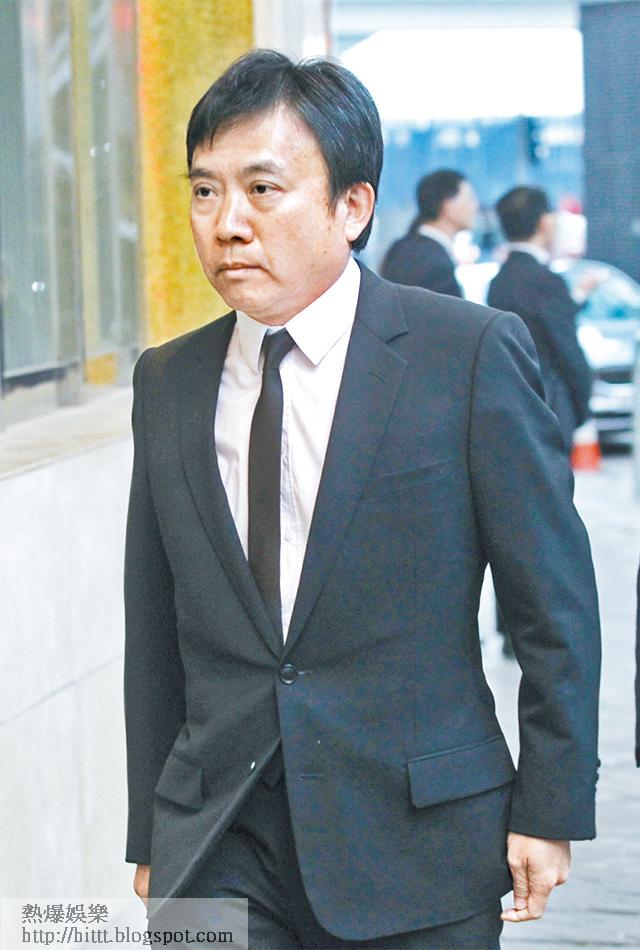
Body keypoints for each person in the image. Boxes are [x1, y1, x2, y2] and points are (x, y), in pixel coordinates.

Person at [124, 50, 601, 949]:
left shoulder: (467, 355)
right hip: (217, 839)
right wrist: (151, 832)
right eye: (205, 191)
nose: (227, 224)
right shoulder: (168, 381)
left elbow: (554, 605)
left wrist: (550, 806)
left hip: (417, 839)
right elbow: (153, 623)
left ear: (353, 207)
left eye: (262, 190)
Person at [487, 186, 595, 452]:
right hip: (550, 402)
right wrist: (582, 405)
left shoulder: (498, 282)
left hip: (509, 405)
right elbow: (567, 351)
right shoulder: (547, 281)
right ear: (544, 222)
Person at [380, 169, 477, 296]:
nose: (475, 206)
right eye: (469, 199)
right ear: (448, 205)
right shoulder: (437, 268)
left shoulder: (401, 248)